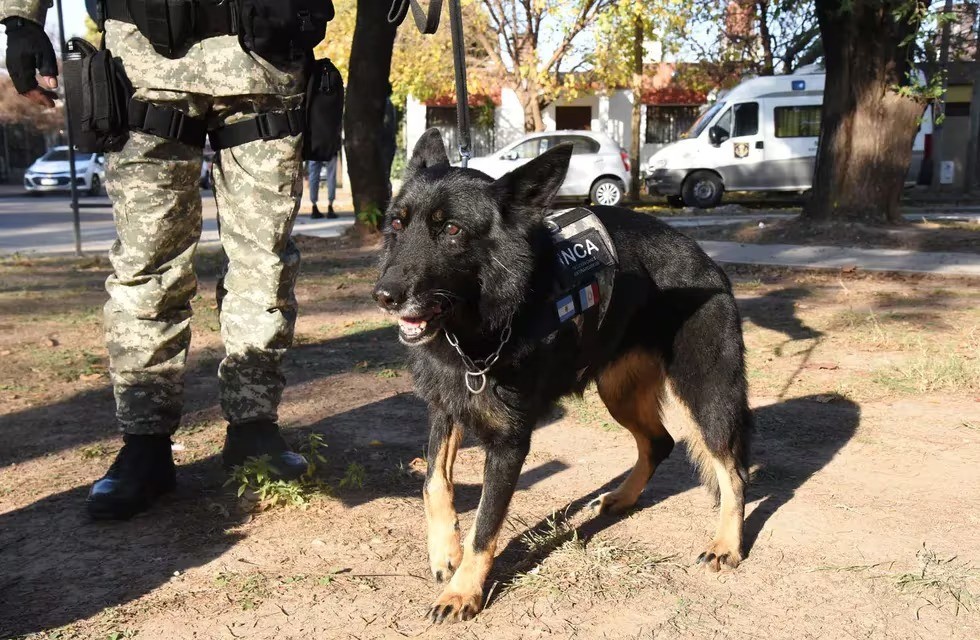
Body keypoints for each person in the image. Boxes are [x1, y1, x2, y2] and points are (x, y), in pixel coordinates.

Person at [0, 0, 332, 519]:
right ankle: (146, 442)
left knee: (264, 263)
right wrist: (22, 18)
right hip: (147, 61)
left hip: (267, 57)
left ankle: (253, 427)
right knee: (147, 265)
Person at [307, 155, 338, 219]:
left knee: (313, 175)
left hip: (313, 150)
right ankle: (330, 206)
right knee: (331, 175)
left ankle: (314, 206)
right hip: (330, 150)